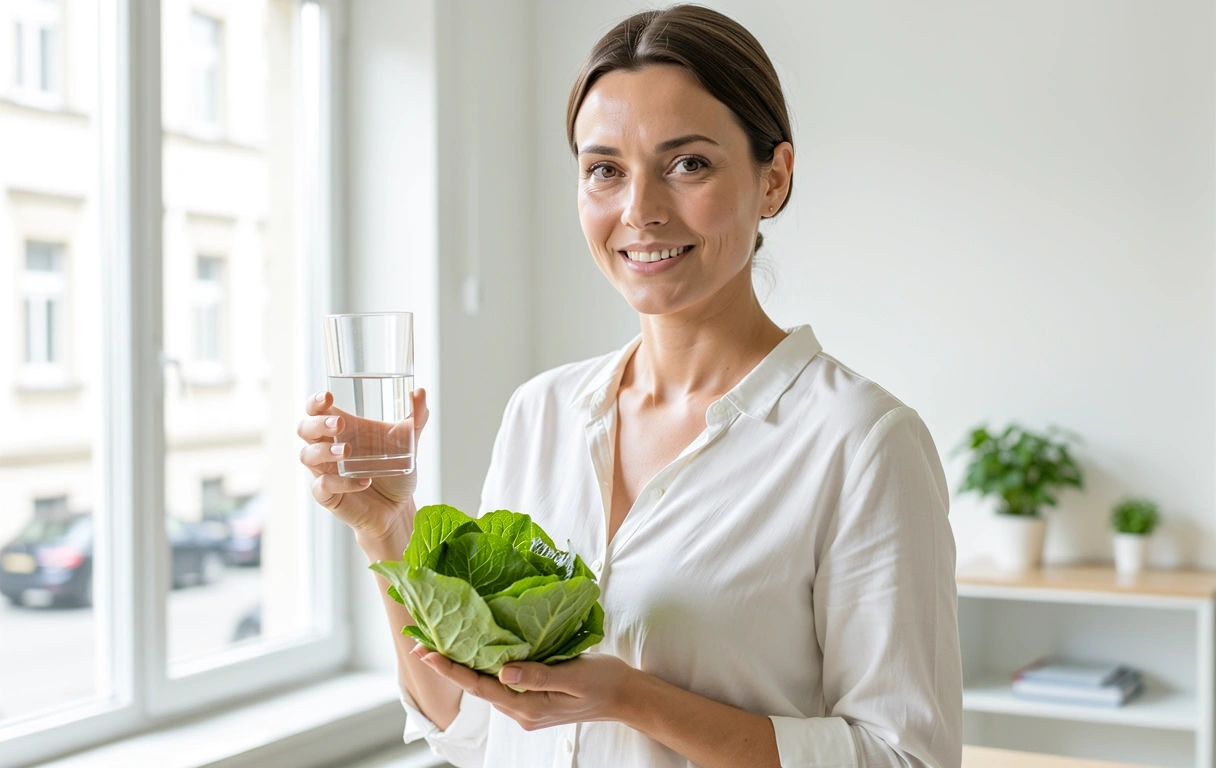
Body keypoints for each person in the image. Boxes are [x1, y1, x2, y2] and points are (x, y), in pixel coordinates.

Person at [297, 5, 962, 767]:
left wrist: (630, 698)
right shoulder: (540, 413)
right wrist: (384, 528)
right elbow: (480, 726)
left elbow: (906, 758)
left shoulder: (863, 443)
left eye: (688, 164)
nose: (639, 212)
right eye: (604, 170)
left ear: (773, 178)